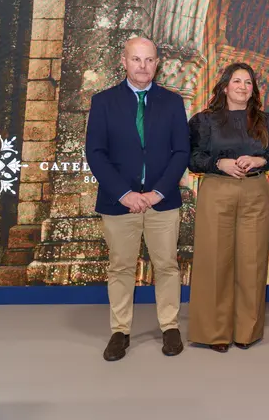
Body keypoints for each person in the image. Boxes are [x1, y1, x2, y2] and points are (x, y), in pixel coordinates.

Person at [85, 37, 190, 362]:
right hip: (119, 202)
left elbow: (181, 152)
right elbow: (96, 153)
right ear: (124, 61)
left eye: (148, 60)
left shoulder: (173, 102)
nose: (142, 66)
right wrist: (125, 193)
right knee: (121, 267)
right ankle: (120, 331)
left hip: (163, 201)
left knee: (167, 266)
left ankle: (170, 326)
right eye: (136, 59)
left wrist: (157, 192)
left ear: (157, 63)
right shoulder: (103, 102)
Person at [187, 63, 269, 352]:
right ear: (225, 86)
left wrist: (260, 161)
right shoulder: (204, 121)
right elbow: (192, 158)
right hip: (217, 190)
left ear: (254, 89)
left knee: (251, 262)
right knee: (215, 261)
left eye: (248, 83)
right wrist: (219, 163)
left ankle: (246, 330)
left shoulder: (268, 121)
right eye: (237, 81)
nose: (242, 87)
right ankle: (215, 333)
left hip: (255, 191)